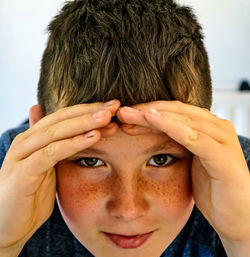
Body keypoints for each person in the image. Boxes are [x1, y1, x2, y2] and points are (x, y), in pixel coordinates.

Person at [0, 0, 249, 256]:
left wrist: (242, 239)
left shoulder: (241, 181)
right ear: (39, 131)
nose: (128, 211)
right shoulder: (8, 182)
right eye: (90, 161)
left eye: (160, 159)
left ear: (201, 133)